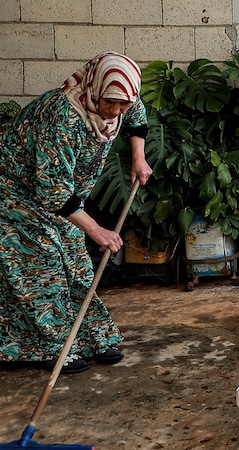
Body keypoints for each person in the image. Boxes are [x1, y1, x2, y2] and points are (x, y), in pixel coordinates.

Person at [0, 52, 152, 374]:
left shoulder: (121, 99)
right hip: (16, 193)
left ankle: (90, 336)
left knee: (76, 264)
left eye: (121, 105)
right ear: (96, 88)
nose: (114, 111)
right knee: (41, 268)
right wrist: (98, 231)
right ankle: (49, 348)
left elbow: (136, 116)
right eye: (110, 103)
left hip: (64, 197)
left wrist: (138, 156)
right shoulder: (61, 116)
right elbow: (52, 189)